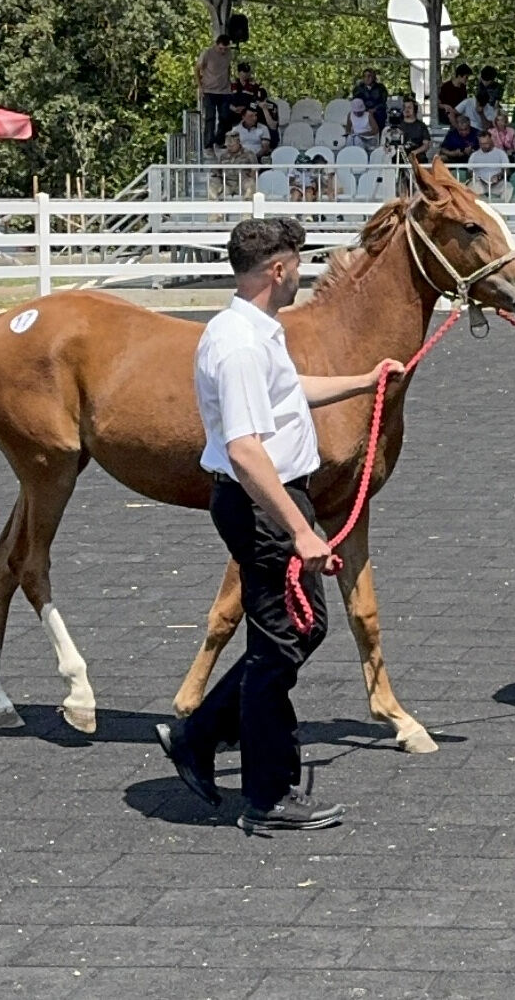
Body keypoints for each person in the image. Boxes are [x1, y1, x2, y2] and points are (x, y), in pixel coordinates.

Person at [154, 218, 408, 832]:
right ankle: (267, 794)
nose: (303, 273)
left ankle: (203, 732)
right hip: (262, 505)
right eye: (297, 263)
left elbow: (287, 391)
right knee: (280, 644)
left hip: (269, 502)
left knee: (299, 631)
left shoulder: (255, 332)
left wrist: (364, 381)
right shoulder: (239, 345)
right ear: (277, 270)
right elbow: (244, 450)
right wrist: (300, 528)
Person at [196, 34, 233, 148]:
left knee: (225, 116)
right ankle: (208, 142)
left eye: (225, 49)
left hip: (224, 90)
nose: (223, 51)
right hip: (209, 90)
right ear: (216, 45)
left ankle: (220, 140)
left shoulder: (229, 54)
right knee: (210, 117)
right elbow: (197, 68)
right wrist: (200, 86)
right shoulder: (207, 53)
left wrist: (229, 81)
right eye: (221, 48)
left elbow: (228, 68)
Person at [350, 68, 388, 133]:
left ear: (373, 77)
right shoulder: (359, 89)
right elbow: (356, 102)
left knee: (380, 114)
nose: (367, 78)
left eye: (369, 76)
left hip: (377, 112)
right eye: (365, 76)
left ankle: (379, 136)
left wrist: (375, 109)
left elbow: (383, 102)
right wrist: (366, 110)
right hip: (363, 112)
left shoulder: (380, 88)